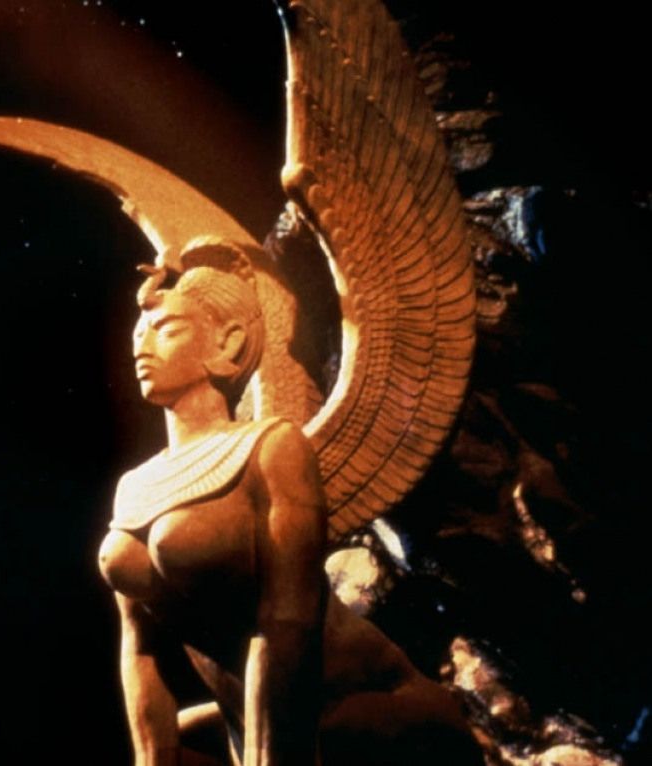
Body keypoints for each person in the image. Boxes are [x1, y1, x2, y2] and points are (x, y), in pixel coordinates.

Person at [97, 239, 482, 766]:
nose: (143, 346)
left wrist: (269, 758)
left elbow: (285, 621)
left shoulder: (273, 446)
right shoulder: (133, 486)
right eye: (138, 334)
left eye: (165, 329)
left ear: (228, 342)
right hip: (248, 709)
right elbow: (140, 649)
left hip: (354, 702)